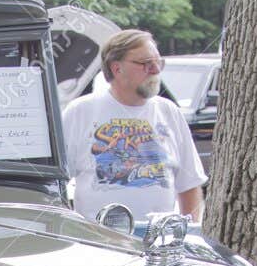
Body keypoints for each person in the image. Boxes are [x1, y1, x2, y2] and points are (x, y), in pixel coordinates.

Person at [63, 29, 205, 225]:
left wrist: (189, 231)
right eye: (146, 64)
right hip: (97, 242)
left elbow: (189, 183)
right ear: (116, 68)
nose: (156, 70)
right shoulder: (80, 111)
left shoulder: (169, 111)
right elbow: (56, 183)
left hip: (158, 244)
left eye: (158, 62)